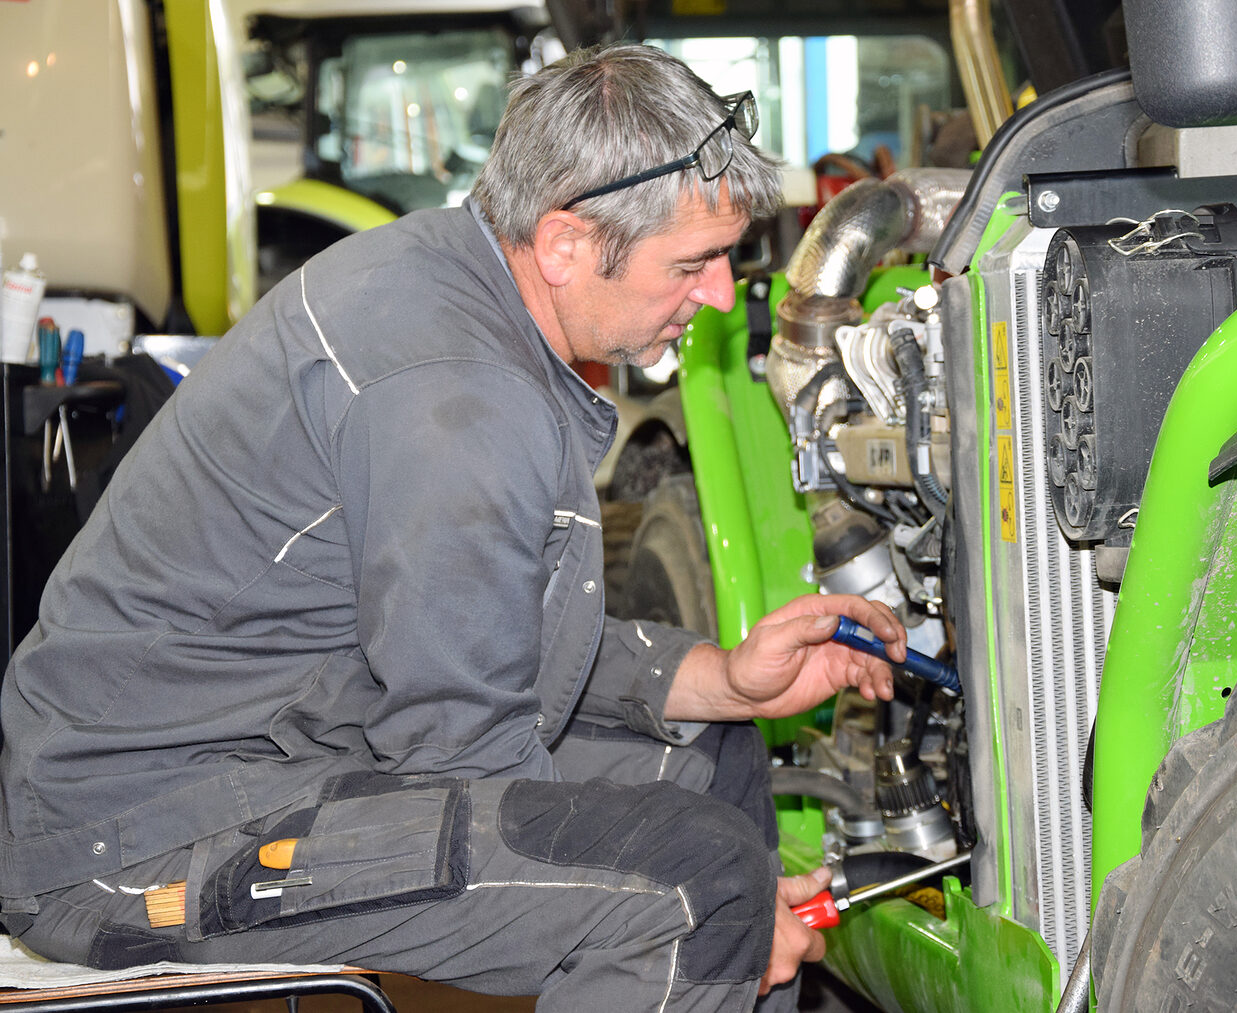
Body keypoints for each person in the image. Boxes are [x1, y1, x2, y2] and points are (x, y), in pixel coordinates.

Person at [0, 43, 906, 1012]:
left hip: (277, 754)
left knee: (706, 750)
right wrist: (729, 915)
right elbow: (467, 757)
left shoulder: (460, 282)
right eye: (691, 262)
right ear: (562, 241)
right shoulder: (455, 390)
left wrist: (721, 679)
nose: (722, 294)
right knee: (691, 885)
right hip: (134, 837)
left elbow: (480, 629)